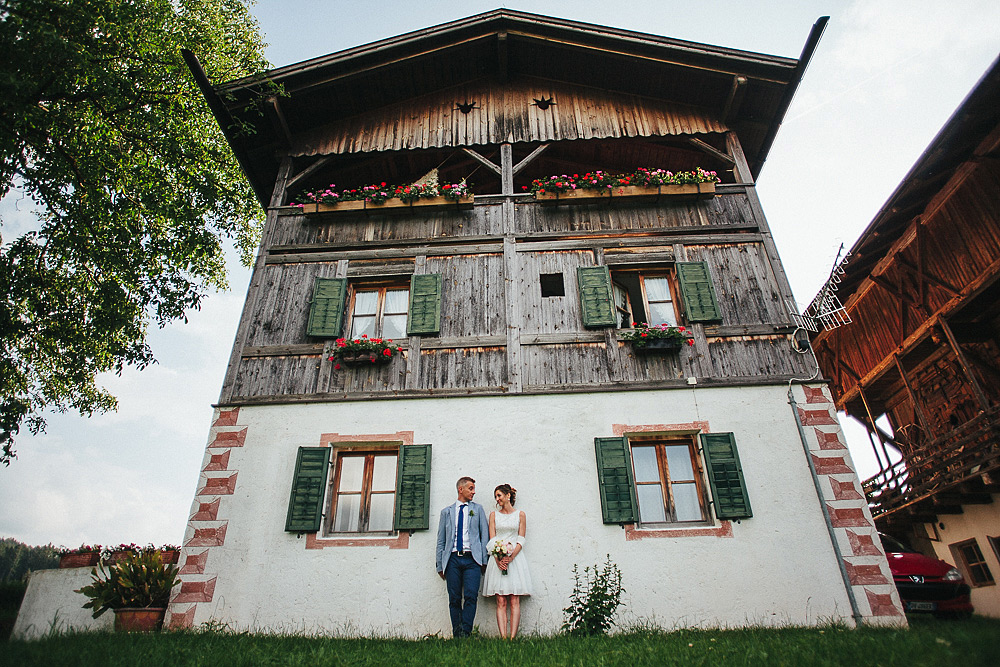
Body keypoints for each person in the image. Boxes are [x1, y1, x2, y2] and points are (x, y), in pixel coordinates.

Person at [436, 476, 489, 638]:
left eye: (473, 489)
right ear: (461, 489)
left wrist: (483, 561)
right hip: (452, 559)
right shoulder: (446, 512)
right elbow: (441, 540)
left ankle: (466, 632)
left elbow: (484, 536)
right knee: (454, 598)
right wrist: (440, 565)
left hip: (472, 560)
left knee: (471, 596)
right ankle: (457, 633)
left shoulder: (478, 510)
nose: (474, 492)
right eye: (471, 488)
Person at [482, 483, 533, 639]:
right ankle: (503, 637)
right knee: (501, 599)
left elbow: (521, 539)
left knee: (514, 598)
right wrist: (498, 559)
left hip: (515, 559)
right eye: (496, 497)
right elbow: (492, 539)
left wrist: (510, 557)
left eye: (499, 495)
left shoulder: (520, 515)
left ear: (508, 495)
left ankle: (513, 637)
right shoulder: (493, 516)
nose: (497, 499)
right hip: (497, 560)